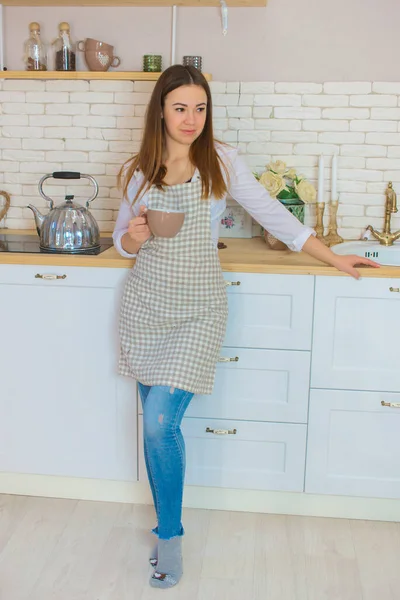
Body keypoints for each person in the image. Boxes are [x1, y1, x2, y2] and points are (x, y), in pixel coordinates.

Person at [113, 64, 379, 589]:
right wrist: (136, 237)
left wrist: (336, 259)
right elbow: (122, 241)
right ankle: (167, 528)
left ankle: (170, 538)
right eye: (180, 107)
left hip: (198, 310)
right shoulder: (137, 170)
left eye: (200, 108)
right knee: (153, 424)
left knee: (157, 424)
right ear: (160, 111)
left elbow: (276, 216)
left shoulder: (222, 162)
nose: (191, 119)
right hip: (146, 307)